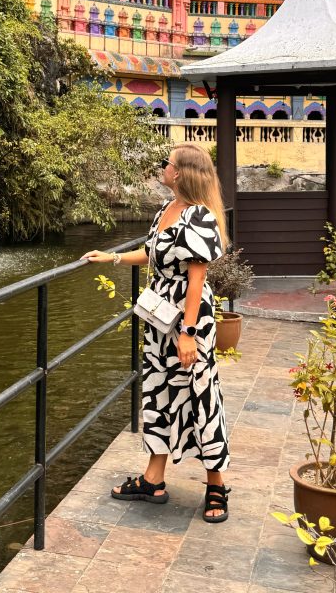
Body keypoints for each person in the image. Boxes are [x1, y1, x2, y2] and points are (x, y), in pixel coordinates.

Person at [82, 142, 230, 522]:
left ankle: (216, 484)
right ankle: (153, 478)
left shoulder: (201, 217)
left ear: (178, 172)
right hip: (159, 318)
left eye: (166, 164)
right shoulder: (167, 209)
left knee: (200, 393)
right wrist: (112, 257)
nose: (161, 168)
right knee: (159, 391)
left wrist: (189, 333)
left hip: (188, 317)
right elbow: (151, 253)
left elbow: (197, 279)